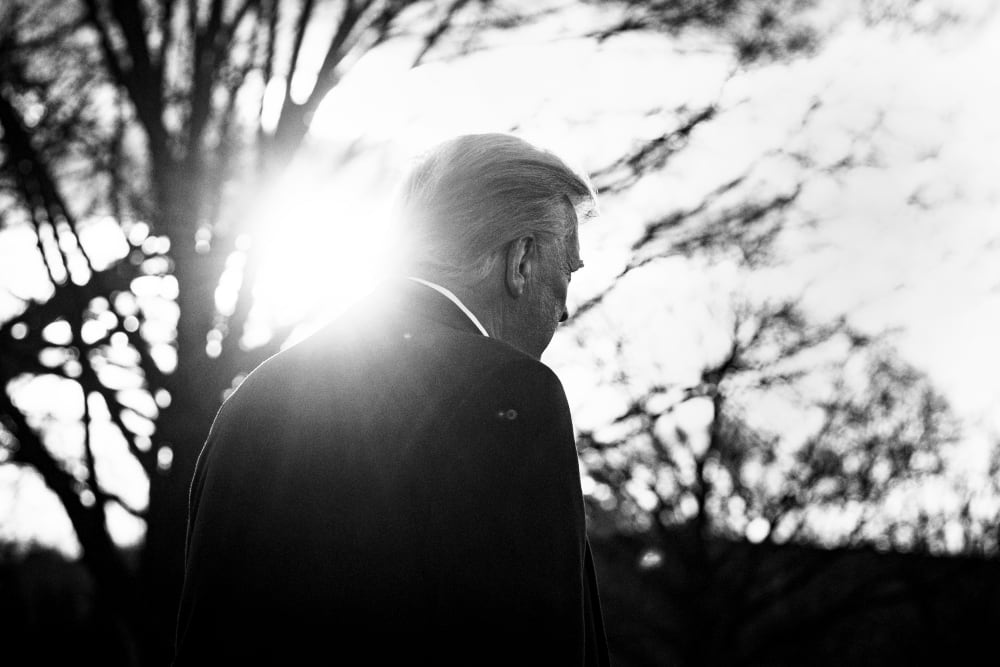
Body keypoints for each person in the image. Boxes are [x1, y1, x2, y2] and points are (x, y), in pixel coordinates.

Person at [173, 133, 610, 666]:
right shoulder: (511, 390)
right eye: (567, 270)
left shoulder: (253, 398)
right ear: (520, 260)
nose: (564, 309)